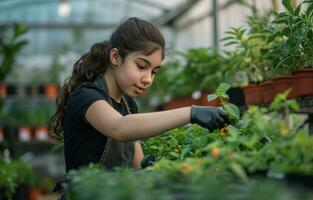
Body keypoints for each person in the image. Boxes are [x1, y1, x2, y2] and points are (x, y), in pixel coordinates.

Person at [49, 17, 229, 172]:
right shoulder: (86, 96)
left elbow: (137, 164)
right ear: (115, 57)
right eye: (142, 66)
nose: (148, 79)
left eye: (154, 71)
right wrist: (191, 113)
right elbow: (119, 128)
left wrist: (150, 169)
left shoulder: (128, 104)